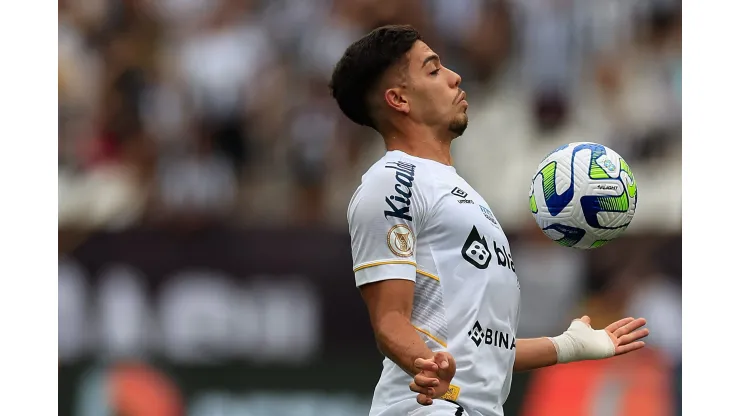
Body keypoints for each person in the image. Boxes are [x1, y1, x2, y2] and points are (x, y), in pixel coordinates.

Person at [330, 25, 649, 416]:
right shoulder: (393, 180)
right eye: (432, 71)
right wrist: (423, 363)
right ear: (399, 99)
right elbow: (390, 320)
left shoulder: (464, 194)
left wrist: (568, 345)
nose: (454, 77)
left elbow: (481, 351)